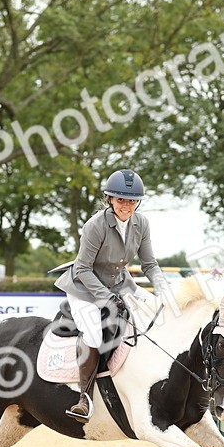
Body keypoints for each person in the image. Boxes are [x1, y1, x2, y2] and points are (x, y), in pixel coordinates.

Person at [54, 168, 168, 420]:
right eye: (120, 200)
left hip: (120, 283)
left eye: (131, 200)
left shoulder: (142, 223)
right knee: (94, 332)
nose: (126, 205)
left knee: (157, 311)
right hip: (84, 288)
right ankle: (84, 397)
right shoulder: (95, 225)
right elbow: (83, 268)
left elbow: (149, 264)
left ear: (137, 202)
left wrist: (163, 289)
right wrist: (105, 298)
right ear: (109, 199)